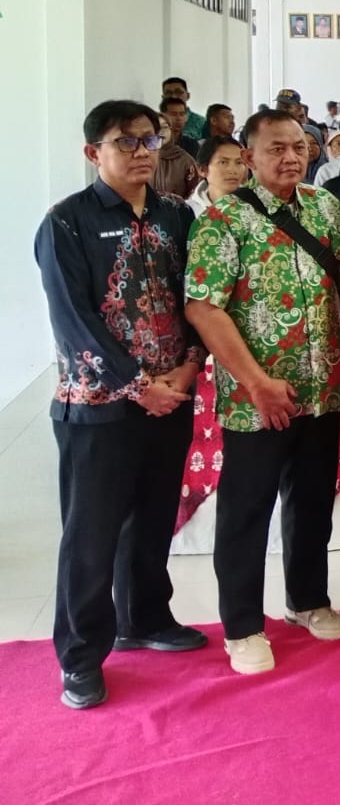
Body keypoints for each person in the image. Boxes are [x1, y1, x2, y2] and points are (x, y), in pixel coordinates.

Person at [35, 101, 208, 710]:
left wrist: (189, 365)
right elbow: (73, 320)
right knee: (92, 533)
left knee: (154, 517)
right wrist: (138, 385)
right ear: (94, 152)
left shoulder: (176, 215)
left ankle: (146, 618)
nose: (140, 151)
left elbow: (197, 296)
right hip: (99, 405)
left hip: (171, 395)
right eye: (124, 142)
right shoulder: (66, 222)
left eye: (148, 140)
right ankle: (81, 657)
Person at [184, 109, 340, 676]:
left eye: (299, 147)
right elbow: (203, 308)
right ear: (248, 157)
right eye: (276, 148)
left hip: (322, 391)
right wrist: (256, 382)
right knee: (247, 510)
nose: (290, 157)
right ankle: (242, 626)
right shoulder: (223, 219)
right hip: (255, 399)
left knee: (312, 502)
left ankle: (307, 599)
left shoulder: (326, 208)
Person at [189, 134, 249, 216]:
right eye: (223, 162)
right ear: (202, 169)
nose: (233, 170)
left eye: (239, 162)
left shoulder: (256, 205)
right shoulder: (189, 211)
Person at [152, 107, 201, 199]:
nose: (161, 132)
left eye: (165, 127)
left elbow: (194, 193)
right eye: (156, 128)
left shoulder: (185, 160)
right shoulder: (141, 157)